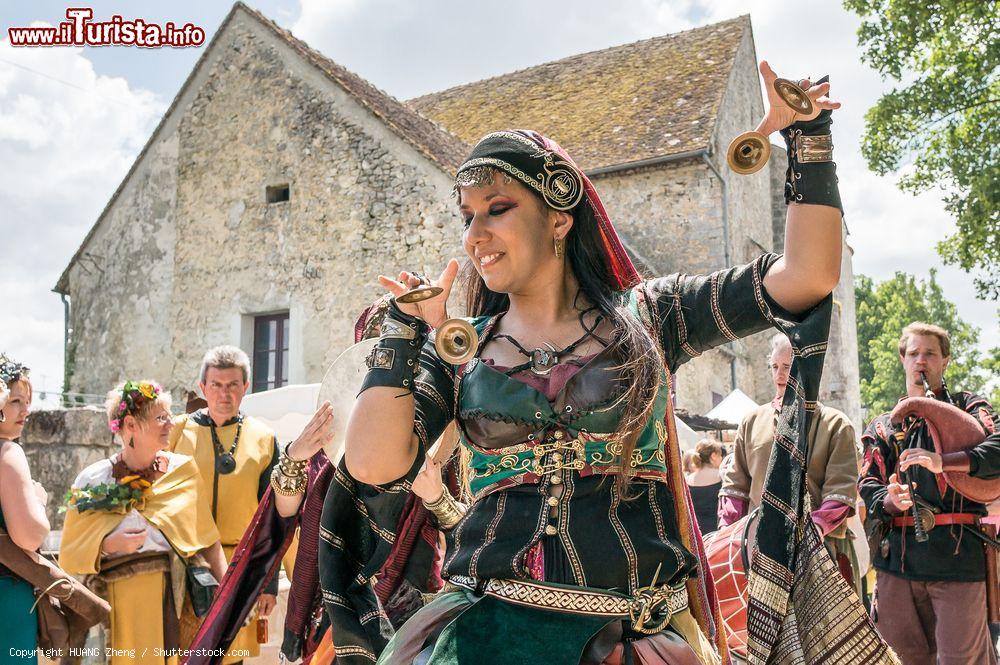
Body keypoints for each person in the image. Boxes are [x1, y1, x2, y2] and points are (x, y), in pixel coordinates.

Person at [271, 63, 894, 664]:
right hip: (485, 641)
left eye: (497, 208)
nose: (473, 235)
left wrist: (809, 139)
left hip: (634, 638)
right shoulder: (461, 350)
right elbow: (375, 466)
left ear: (560, 216)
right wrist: (403, 331)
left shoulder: (652, 318)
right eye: (467, 218)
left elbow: (807, 277)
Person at [859, 322, 1000, 664]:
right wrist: (889, 501)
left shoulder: (970, 409)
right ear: (903, 360)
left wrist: (945, 461)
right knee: (902, 659)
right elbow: (868, 482)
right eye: (913, 353)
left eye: (930, 353)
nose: (921, 360)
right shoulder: (884, 425)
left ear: (945, 360)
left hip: (958, 559)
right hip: (898, 565)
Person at [60, 380, 226, 664]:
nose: (170, 424)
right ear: (130, 425)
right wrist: (106, 545)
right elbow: (70, 553)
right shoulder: (93, 480)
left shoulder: (182, 472)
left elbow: (208, 542)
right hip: (112, 606)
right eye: (160, 417)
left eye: (169, 415)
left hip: (170, 601)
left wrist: (228, 601)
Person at [719, 333, 862, 592]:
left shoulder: (836, 424)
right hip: (759, 552)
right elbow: (735, 489)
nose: (779, 375)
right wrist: (729, 536)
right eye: (775, 366)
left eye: (788, 367)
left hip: (821, 550)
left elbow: (840, 494)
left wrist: (809, 534)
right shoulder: (751, 422)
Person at [168, 345, 281, 661]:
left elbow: (271, 515)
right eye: (216, 385)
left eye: (233, 385)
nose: (224, 394)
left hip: (238, 567)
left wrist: (268, 584)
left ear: (246, 387)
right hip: (183, 567)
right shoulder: (176, 432)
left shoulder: (264, 438)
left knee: (230, 656)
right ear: (202, 387)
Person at [0, 355, 50, 661]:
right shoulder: (8, 453)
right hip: (6, 596)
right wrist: (39, 502)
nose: (26, 411)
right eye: (16, 401)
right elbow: (30, 536)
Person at [686, 440, 724, 535]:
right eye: (720, 455)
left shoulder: (687, 480)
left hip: (695, 534)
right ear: (713, 455)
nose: (721, 459)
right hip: (717, 534)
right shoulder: (721, 476)